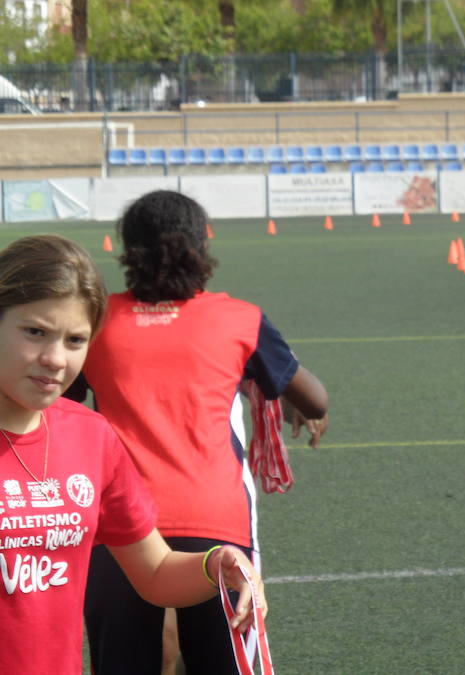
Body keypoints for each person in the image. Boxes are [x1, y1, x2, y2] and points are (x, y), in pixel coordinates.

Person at [65, 190, 329, 674]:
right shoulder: (239, 319)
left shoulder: (96, 322)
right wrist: (275, 389)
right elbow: (316, 399)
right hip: (216, 529)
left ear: (127, 250)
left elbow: (58, 404)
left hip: (118, 525)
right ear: (202, 245)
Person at [0, 234, 265, 675]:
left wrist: (216, 563)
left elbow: (156, 571)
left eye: (75, 340)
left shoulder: (91, 436)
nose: (54, 359)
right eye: (35, 332)